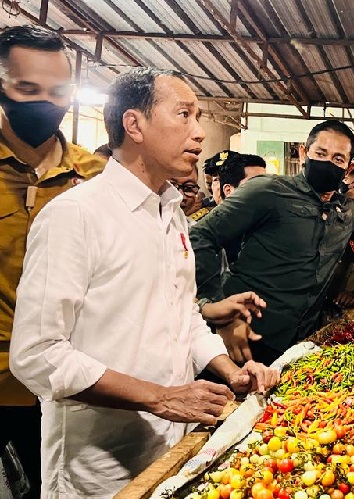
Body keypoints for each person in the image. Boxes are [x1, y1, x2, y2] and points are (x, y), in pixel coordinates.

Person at [9, 68, 279, 497]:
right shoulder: (76, 214)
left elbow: (183, 315)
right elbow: (37, 355)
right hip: (98, 465)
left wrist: (231, 373)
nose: (199, 134)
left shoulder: (170, 213)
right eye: (184, 115)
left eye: (198, 117)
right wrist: (160, 397)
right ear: (134, 124)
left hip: (172, 445)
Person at [191, 120, 354, 365]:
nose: (328, 162)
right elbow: (201, 237)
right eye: (320, 153)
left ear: (348, 168)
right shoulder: (267, 191)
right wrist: (216, 307)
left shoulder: (347, 212)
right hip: (243, 334)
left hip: (300, 343)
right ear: (304, 153)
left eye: (338, 158)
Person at [0, 25, 107, 497]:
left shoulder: (98, 177)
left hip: (62, 390)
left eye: (59, 91)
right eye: (27, 88)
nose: (45, 101)